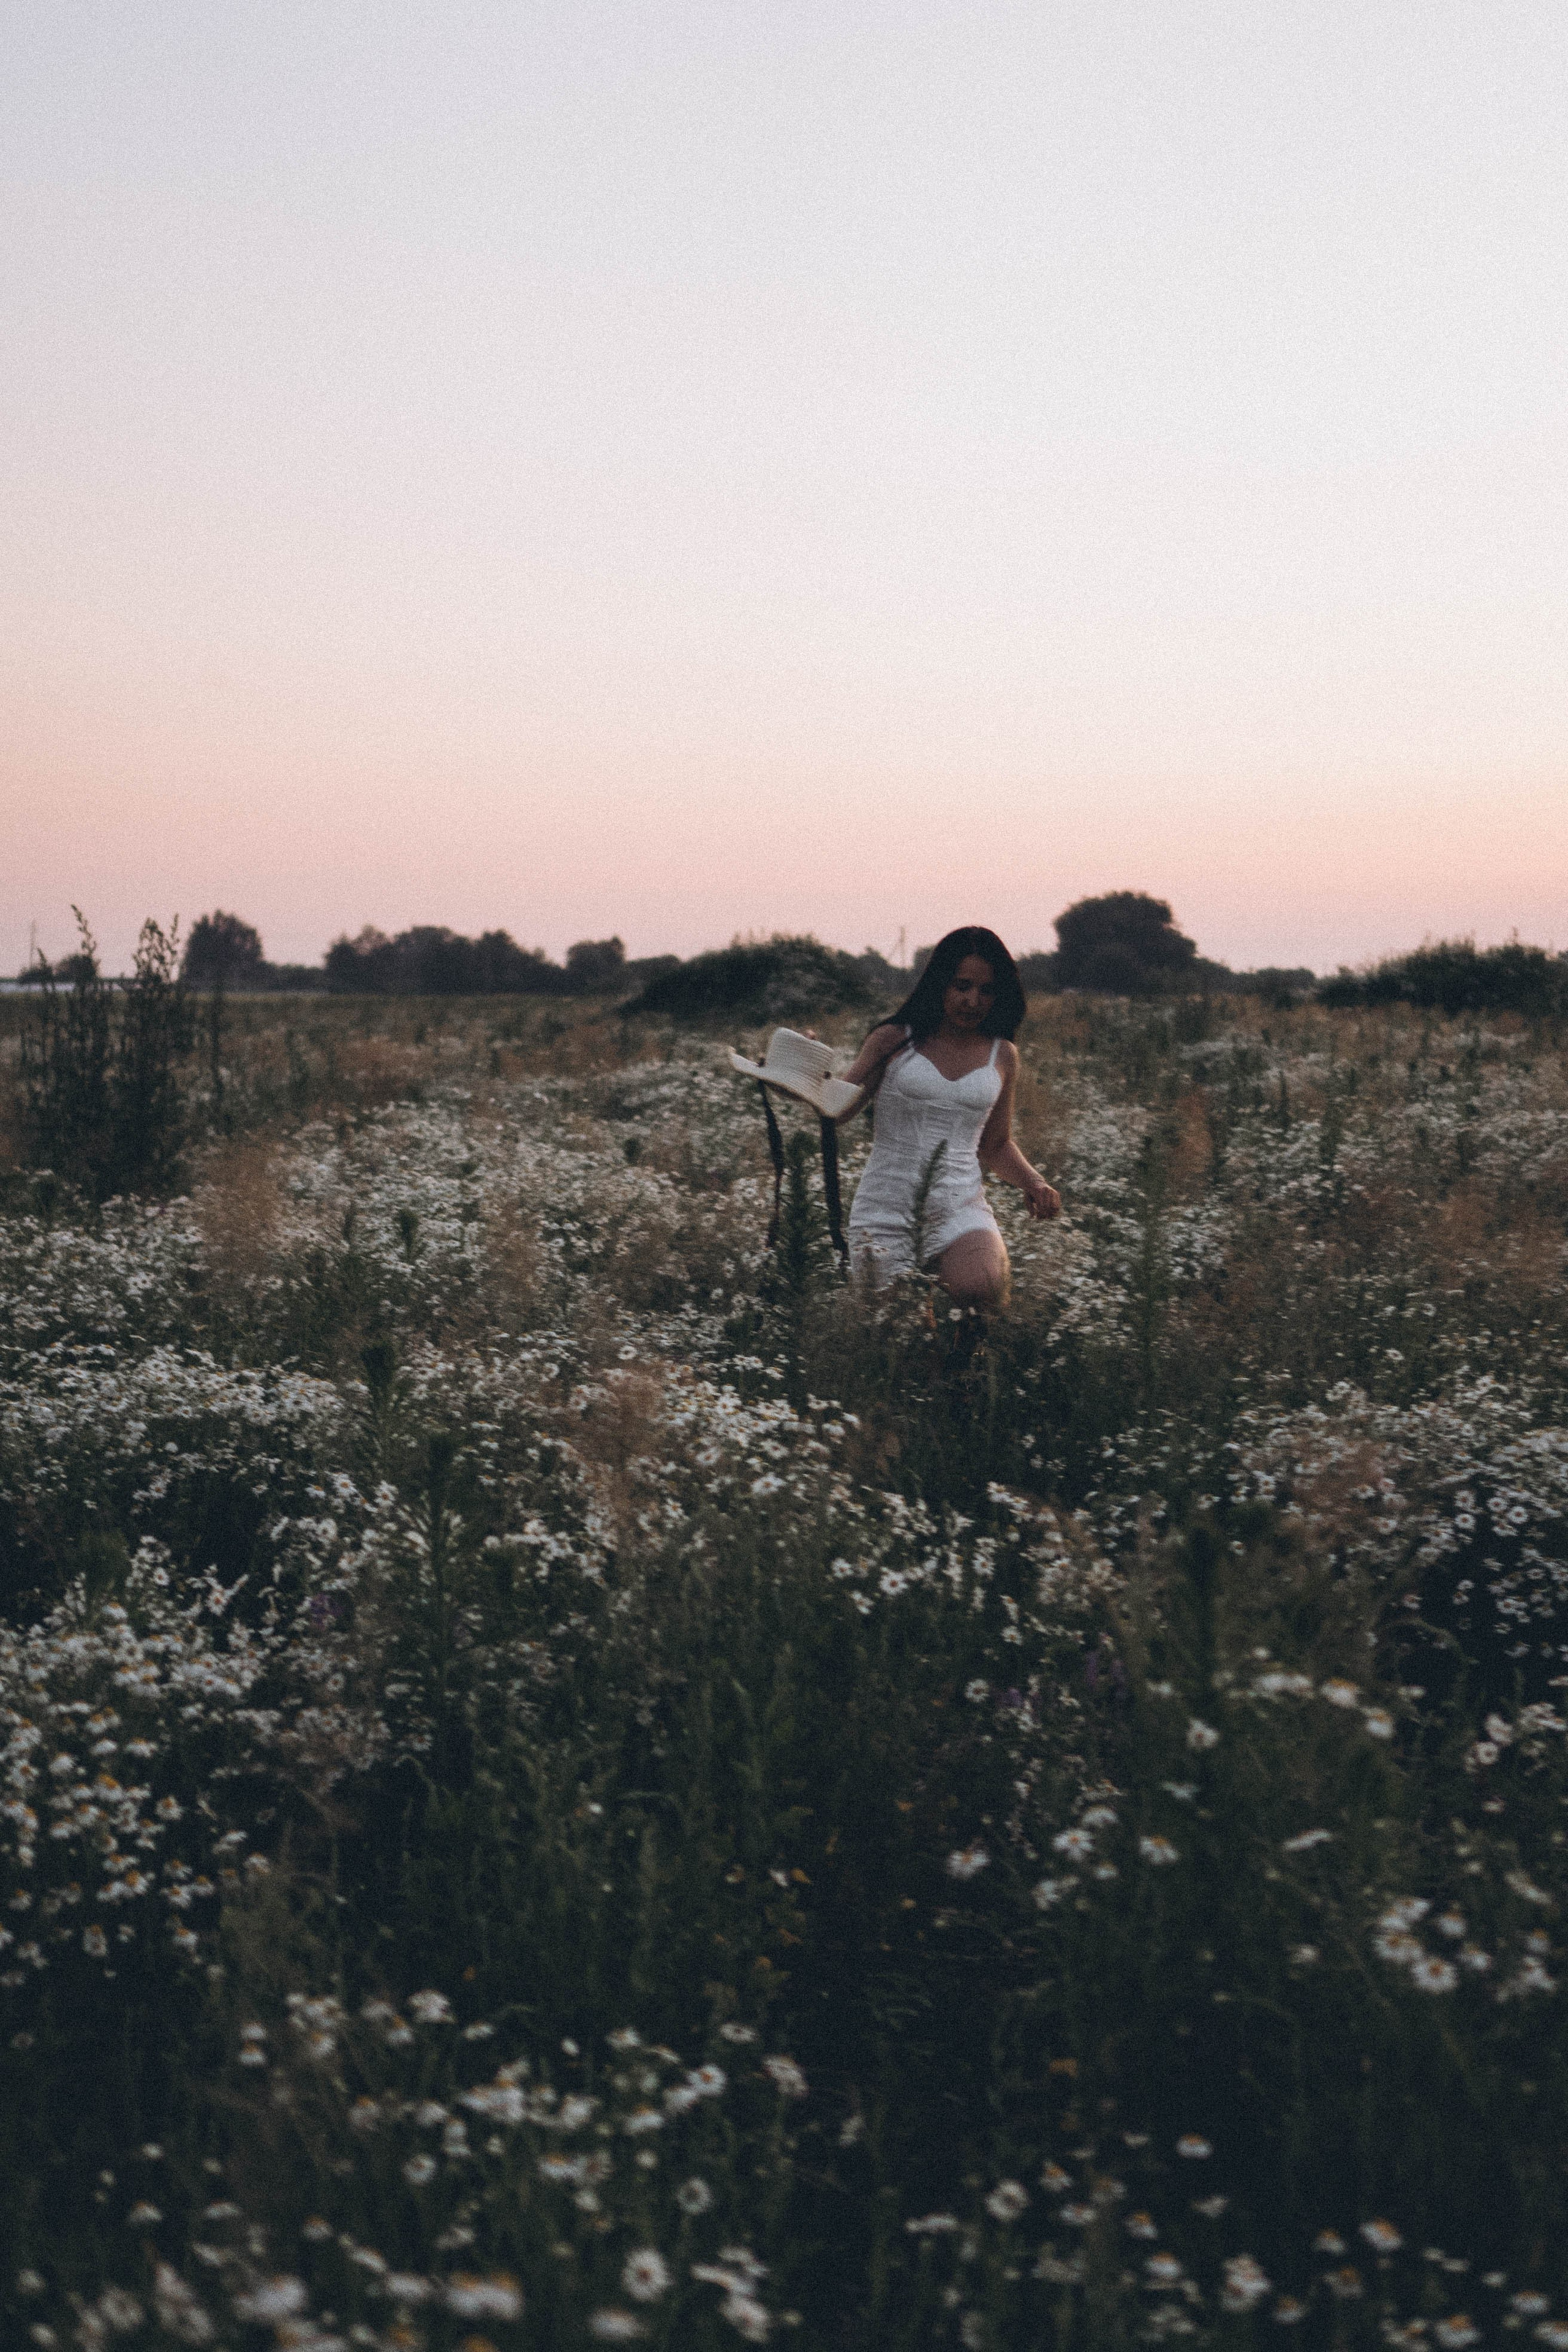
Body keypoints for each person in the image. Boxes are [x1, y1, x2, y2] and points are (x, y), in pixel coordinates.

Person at [835, 927, 1061, 1308]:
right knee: (892, 1336)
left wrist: (1035, 1183)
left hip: (960, 1210)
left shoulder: (1001, 1055)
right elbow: (838, 1110)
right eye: (962, 985)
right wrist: (799, 1070)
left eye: (986, 990)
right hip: (885, 1212)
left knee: (984, 1293)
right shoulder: (894, 1039)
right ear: (940, 983)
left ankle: (965, 1367)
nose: (973, 1001)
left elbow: (996, 1144)